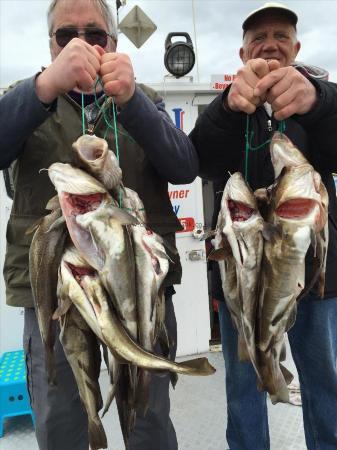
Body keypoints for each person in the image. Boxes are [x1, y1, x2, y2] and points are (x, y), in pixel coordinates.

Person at [0, 1, 199, 449]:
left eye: (95, 35)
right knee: (61, 417)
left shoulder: (143, 98)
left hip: (139, 285)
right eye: (65, 35)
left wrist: (133, 103)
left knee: (147, 414)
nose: (82, 44)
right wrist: (45, 87)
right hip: (57, 294)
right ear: (50, 45)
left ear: (113, 42)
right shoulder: (26, 96)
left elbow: (185, 166)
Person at [190, 2, 337, 449]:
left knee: (324, 381)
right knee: (242, 383)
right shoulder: (230, 104)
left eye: (279, 35)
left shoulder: (320, 98)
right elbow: (200, 161)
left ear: (296, 47)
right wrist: (227, 108)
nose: (269, 44)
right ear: (242, 52)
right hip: (242, 272)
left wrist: (318, 101)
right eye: (258, 38)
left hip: (314, 278)